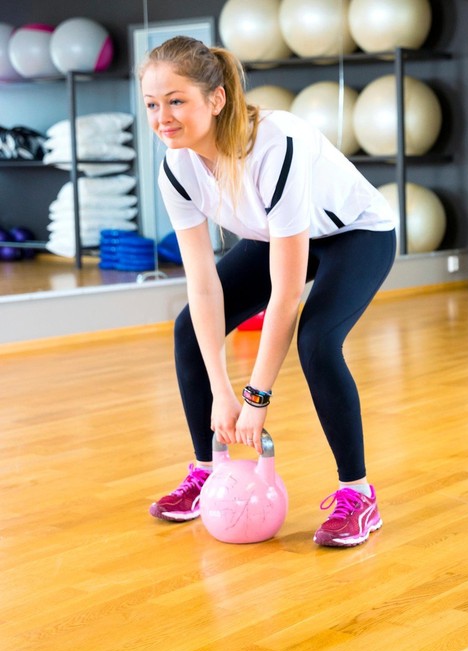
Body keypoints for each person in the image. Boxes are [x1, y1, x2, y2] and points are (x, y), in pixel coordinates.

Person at [142, 36, 396, 548]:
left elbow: (285, 294)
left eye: (176, 101)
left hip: (356, 236)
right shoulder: (178, 165)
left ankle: (358, 495)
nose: (162, 117)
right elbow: (203, 284)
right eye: (152, 104)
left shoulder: (274, 144)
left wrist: (256, 399)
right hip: (273, 237)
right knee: (189, 327)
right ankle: (206, 470)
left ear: (215, 100)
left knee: (318, 342)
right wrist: (221, 392)